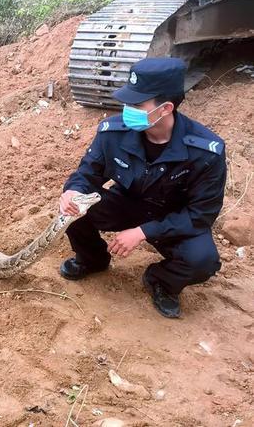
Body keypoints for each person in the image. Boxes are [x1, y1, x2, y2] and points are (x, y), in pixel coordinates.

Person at [59, 57, 226, 318]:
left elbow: (200, 216)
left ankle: (161, 280)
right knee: (73, 210)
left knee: (202, 260)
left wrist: (142, 232)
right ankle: (92, 260)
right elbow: (87, 174)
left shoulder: (205, 151)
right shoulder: (112, 133)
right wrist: (73, 191)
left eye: (136, 104)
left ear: (166, 108)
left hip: (173, 217)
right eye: (127, 102)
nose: (127, 109)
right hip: (127, 203)